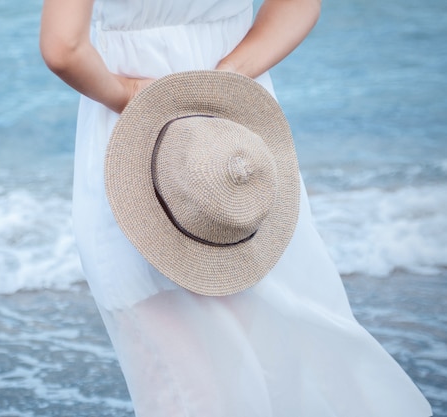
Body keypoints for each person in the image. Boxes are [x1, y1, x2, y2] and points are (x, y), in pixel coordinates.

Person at [39, 0, 433, 416]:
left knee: (180, 390)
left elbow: (63, 48)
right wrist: (223, 79)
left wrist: (130, 93)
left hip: (139, 140)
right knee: (280, 362)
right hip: (237, 144)